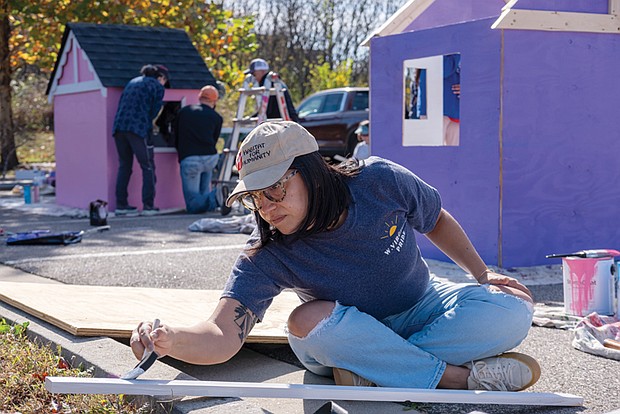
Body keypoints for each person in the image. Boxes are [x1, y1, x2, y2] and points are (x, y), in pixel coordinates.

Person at [130, 121, 540, 392]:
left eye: (274, 189)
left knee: (515, 305)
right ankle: (458, 379)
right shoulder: (266, 254)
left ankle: (377, 369)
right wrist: (170, 339)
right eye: (254, 198)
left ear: (310, 170)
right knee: (306, 321)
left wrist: (483, 275)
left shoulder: (379, 179)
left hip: (424, 304)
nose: (266, 208)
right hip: (343, 333)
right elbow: (220, 337)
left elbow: (436, 219)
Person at [113, 64, 169, 216]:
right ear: (161, 78)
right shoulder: (157, 86)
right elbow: (153, 112)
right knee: (148, 166)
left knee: (124, 166)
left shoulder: (133, 82)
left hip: (119, 128)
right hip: (138, 129)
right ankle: (148, 206)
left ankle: (121, 205)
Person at [173, 85, 223, 213]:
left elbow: (175, 133)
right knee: (202, 194)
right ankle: (215, 197)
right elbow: (215, 139)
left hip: (190, 158)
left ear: (200, 97)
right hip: (210, 158)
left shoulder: (184, 112)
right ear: (214, 101)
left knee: (192, 204)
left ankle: (216, 197)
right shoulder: (217, 118)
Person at [246, 58, 300, 122]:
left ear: (262, 71)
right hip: (283, 121)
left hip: (282, 122)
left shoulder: (270, 84)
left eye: (254, 74)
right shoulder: (272, 82)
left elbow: (268, 109)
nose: (253, 77)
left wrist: (251, 119)